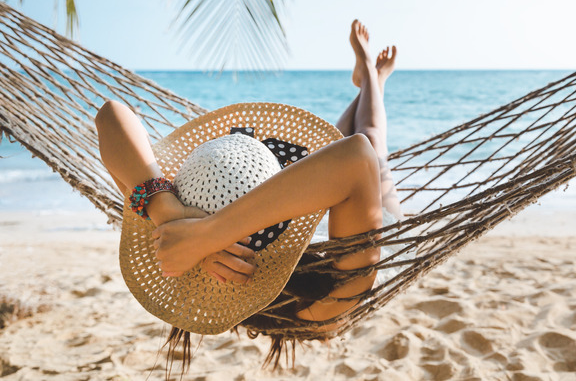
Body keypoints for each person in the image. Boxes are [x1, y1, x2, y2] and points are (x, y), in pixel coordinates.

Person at [95, 19, 399, 324]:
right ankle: (374, 78)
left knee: (341, 141)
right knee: (372, 138)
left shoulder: (170, 242)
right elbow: (359, 155)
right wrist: (205, 236)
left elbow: (109, 115)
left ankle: (370, 78)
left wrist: (169, 213)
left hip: (309, 192)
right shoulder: (326, 300)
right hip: (363, 220)